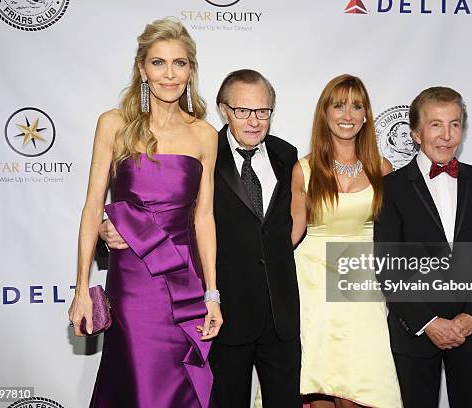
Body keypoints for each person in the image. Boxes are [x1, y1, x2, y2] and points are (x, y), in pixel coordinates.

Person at [100, 69, 302, 408]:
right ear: (224, 110)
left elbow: (294, 222)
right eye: (242, 111)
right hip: (223, 313)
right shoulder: (199, 149)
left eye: (262, 111)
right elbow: (164, 208)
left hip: (280, 315)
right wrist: (110, 230)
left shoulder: (287, 154)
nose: (254, 120)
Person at [68, 17, 221, 408]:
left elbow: (204, 218)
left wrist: (213, 295)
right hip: (134, 283)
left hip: (185, 283)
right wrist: (82, 288)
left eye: (180, 63)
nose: (170, 74)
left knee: (182, 388)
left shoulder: (205, 134)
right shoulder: (114, 125)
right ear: (142, 70)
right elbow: (91, 208)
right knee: (139, 382)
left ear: (191, 70)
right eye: (159, 63)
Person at [374, 86, 472, 408]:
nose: (447, 136)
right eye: (436, 124)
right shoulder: (390, 189)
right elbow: (387, 264)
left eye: (455, 124)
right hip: (415, 333)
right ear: (416, 134)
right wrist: (429, 322)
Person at [290, 74, 402, 408]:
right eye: (339, 105)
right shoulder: (304, 169)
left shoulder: (384, 169)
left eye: (356, 105)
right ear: (324, 113)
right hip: (312, 283)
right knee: (319, 381)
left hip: (363, 282)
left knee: (362, 383)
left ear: (367, 114)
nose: (348, 114)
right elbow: (291, 231)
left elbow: (395, 235)